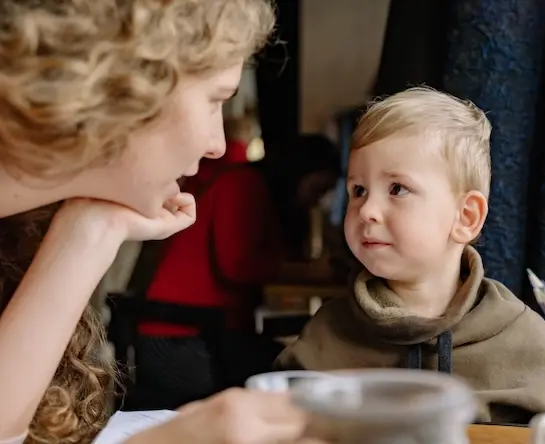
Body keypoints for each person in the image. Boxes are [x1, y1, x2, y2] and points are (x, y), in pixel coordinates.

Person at [0, 1, 313, 443]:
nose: (218, 145)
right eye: (215, 100)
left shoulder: (29, 228)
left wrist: (91, 226)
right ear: (124, 82)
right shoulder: (241, 183)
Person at [274, 87, 545, 424]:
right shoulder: (325, 335)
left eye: (397, 189)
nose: (367, 211)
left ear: (466, 217)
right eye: (358, 190)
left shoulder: (526, 343)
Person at [133, 116, 285, 409]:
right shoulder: (241, 181)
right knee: (293, 377)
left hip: (168, 332)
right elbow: (236, 267)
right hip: (186, 340)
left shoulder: (211, 177)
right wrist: (291, 268)